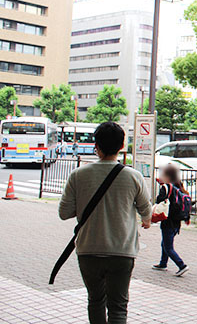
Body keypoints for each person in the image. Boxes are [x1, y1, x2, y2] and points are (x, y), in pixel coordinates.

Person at [59, 122, 152, 324]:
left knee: (95, 301)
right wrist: (145, 220)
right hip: (122, 251)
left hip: (88, 251)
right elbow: (147, 211)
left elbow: (64, 213)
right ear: (121, 146)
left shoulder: (78, 175)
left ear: (96, 145)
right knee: (118, 307)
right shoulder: (133, 176)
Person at [152, 164, 189, 276]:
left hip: (168, 221)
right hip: (177, 223)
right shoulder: (178, 187)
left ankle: (181, 265)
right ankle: (163, 263)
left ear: (167, 176)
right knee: (165, 243)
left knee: (168, 247)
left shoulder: (166, 187)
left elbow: (159, 201)